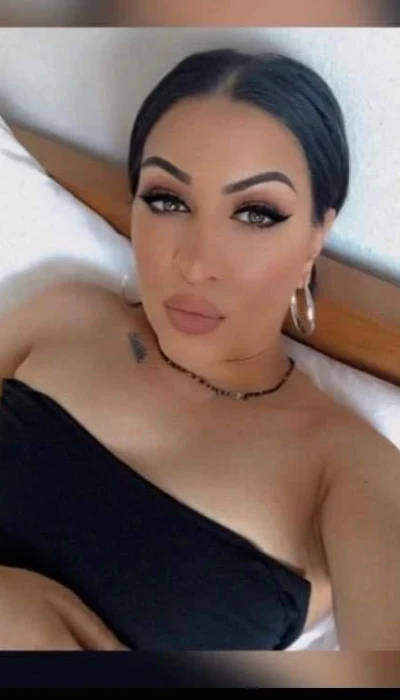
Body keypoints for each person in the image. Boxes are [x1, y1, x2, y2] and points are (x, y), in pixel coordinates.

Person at [0, 48, 399, 652]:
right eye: (167, 201)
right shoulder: (65, 316)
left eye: (257, 214)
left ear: (317, 236)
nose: (195, 263)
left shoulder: (345, 471)